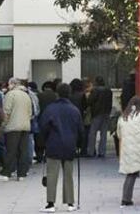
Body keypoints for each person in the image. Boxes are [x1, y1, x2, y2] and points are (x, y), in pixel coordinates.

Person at [39, 83, 83, 213]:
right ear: (69, 93)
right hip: (70, 145)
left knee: (52, 174)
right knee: (68, 174)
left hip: (53, 144)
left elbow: (44, 127)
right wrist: (79, 144)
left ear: (57, 93)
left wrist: (43, 143)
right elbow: (80, 129)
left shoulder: (50, 109)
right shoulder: (74, 110)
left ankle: (51, 204)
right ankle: (70, 203)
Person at [0, 78, 32, 181]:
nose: (7, 86)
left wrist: (3, 125)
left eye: (9, 84)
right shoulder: (26, 95)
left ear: (13, 84)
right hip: (25, 126)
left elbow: (6, 111)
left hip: (13, 126)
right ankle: (22, 174)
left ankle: (7, 172)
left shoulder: (10, 95)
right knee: (23, 150)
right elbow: (30, 112)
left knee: (11, 150)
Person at [87, 76, 113, 158]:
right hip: (106, 113)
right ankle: (102, 152)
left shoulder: (95, 90)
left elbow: (89, 101)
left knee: (92, 133)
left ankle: (90, 152)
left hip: (96, 113)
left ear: (96, 82)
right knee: (104, 134)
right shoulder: (109, 91)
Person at [35, 81, 58, 163]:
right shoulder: (56, 96)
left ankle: (39, 156)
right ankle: (49, 155)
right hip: (54, 119)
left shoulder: (39, 95)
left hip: (41, 118)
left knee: (40, 139)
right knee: (51, 138)